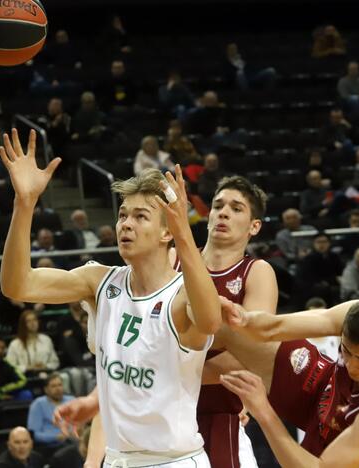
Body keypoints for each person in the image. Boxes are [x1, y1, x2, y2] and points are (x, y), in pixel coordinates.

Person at [0, 128, 221, 467]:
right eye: (122, 215)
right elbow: (18, 285)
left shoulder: (180, 297)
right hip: (118, 459)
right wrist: (24, 203)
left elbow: (210, 321)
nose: (125, 224)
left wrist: (185, 236)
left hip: (173, 461)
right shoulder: (99, 281)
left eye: (140, 216)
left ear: (166, 232)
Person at [54, 175, 279, 468]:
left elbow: (249, 358)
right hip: (148, 416)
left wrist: (171, 371)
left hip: (218, 413)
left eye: (236, 208)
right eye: (218, 205)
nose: (223, 212)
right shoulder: (167, 258)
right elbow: (125, 351)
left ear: (255, 226)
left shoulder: (257, 272)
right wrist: (100, 397)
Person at [218, 294, 359, 467]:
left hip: (342, 451)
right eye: (346, 351)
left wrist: (263, 411)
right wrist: (245, 319)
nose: (351, 365)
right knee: (223, 325)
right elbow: (277, 326)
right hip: (326, 389)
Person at [28, 373, 75, 461]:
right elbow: (34, 434)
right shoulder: (38, 404)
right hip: (50, 446)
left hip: (72, 441)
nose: (58, 389)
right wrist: (56, 437)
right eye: (53, 386)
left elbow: (80, 424)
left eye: (60, 385)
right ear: (46, 389)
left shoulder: (72, 400)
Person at [7, 309, 60, 373]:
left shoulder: (46, 339)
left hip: (45, 375)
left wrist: (45, 366)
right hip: (25, 377)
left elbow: (55, 362)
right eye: (28, 321)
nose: (33, 323)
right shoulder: (15, 344)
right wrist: (27, 367)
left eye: (34, 320)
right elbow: (9, 367)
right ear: (23, 324)